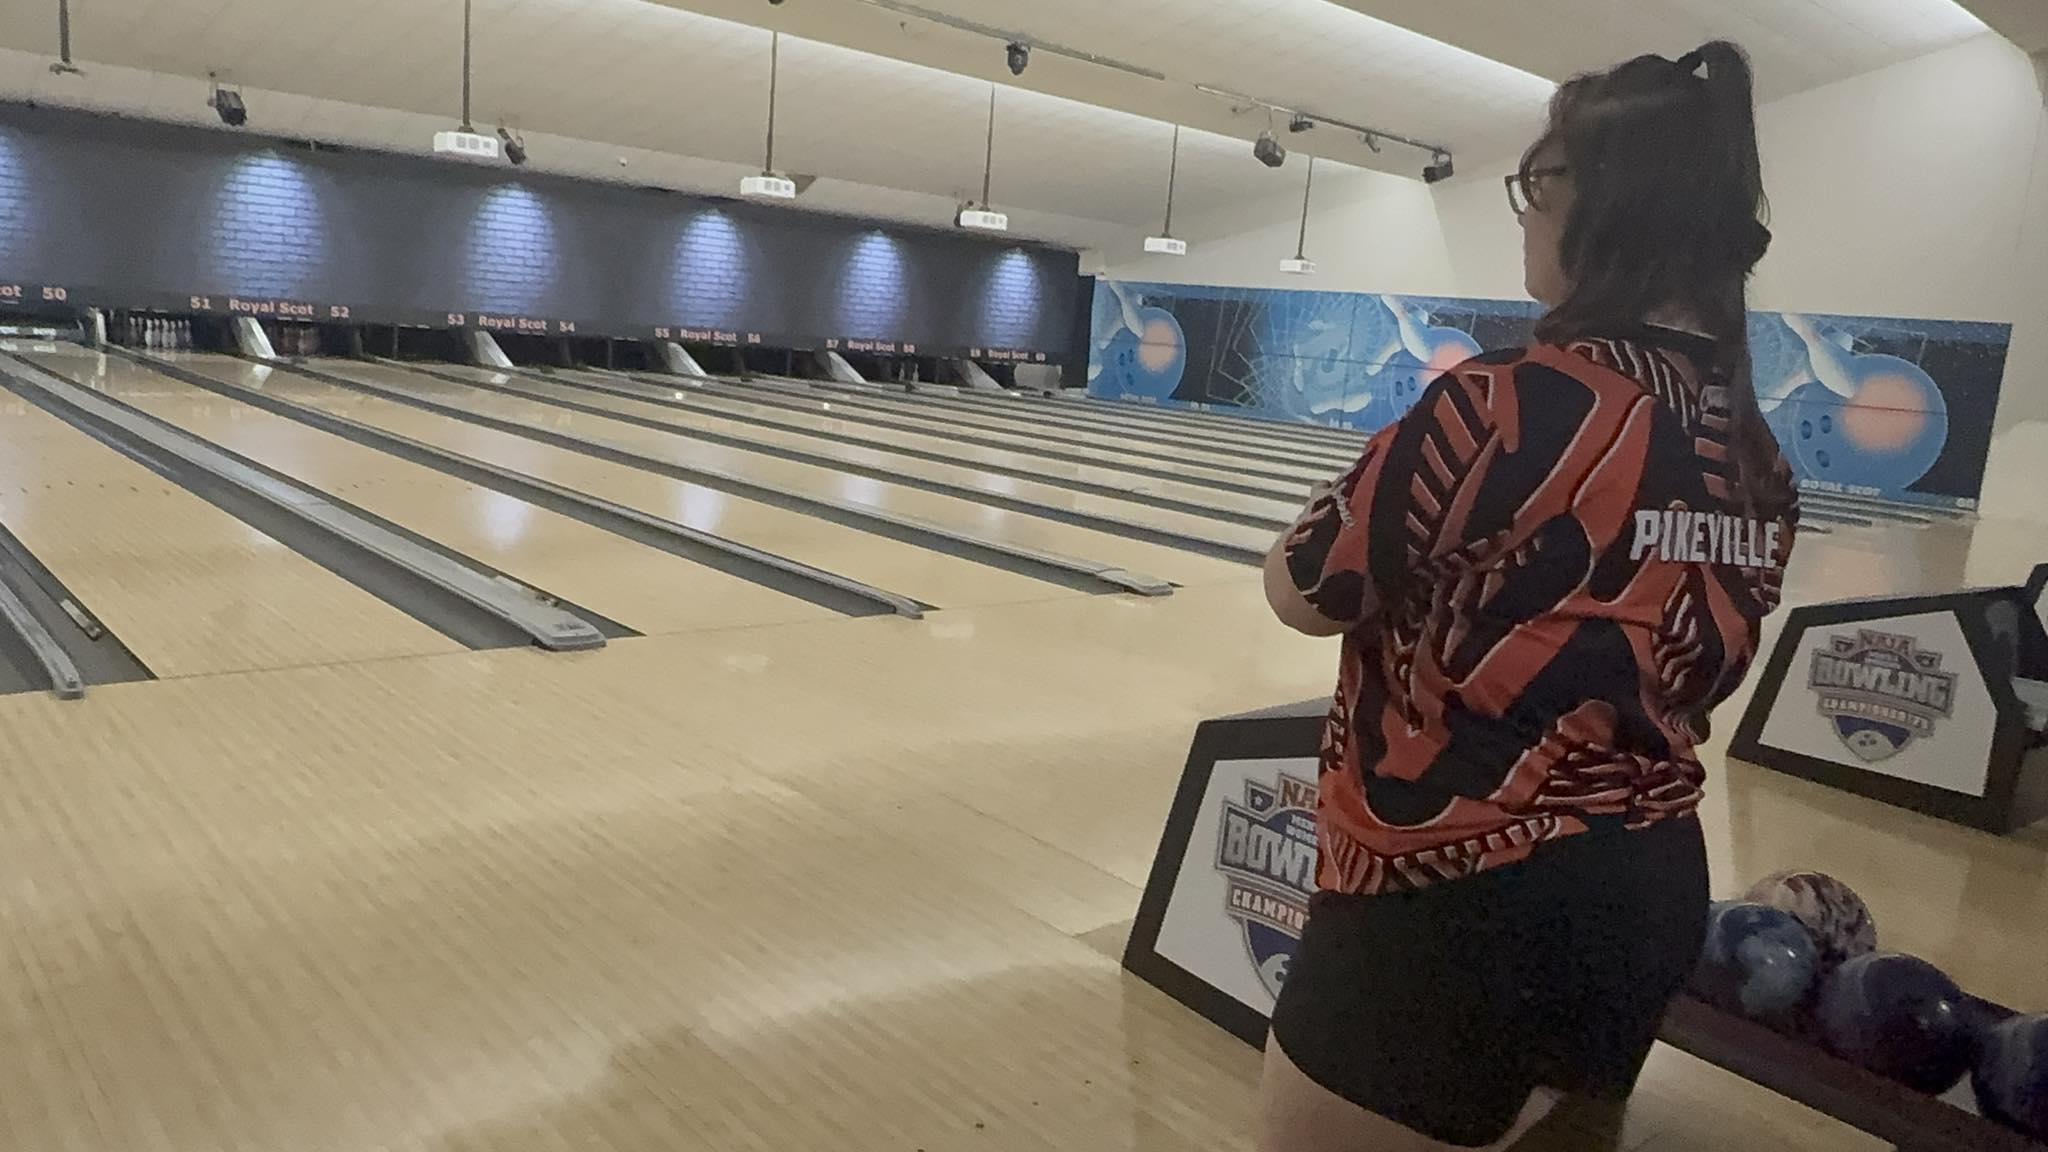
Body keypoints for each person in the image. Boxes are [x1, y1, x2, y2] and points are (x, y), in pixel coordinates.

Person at [1256, 41, 1798, 1152]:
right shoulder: (1754, 453)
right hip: (1644, 896)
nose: (1525, 210)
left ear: (1606, 205)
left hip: (1442, 904)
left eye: (1538, 180)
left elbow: (1302, 588)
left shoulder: (1500, 404)